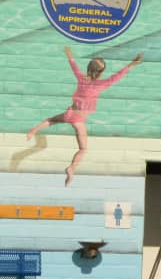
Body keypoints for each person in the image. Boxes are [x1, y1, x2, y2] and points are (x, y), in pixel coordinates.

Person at [27, 48, 142, 184]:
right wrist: (132, 64)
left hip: (69, 113)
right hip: (78, 120)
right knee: (83, 149)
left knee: (51, 120)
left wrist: (70, 56)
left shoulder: (81, 78)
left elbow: (74, 67)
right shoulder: (101, 84)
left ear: (88, 68)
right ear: (100, 73)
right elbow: (117, 76)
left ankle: (32, 131)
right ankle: (72, 168)